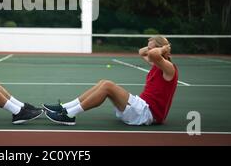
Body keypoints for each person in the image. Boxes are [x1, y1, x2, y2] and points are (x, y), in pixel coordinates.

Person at [43, 35, 178, 126]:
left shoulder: (169, 68)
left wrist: (163, 48)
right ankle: (65, 107)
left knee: (108, 86)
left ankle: (70, 115)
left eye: (151, 49)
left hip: (148, 114)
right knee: (104, 82)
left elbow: (153, 54)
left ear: (161, 50)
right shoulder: (157, 64)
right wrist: (154, 46)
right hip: (141, 109)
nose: (148, 52)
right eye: (148, 48)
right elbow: (141, 52)